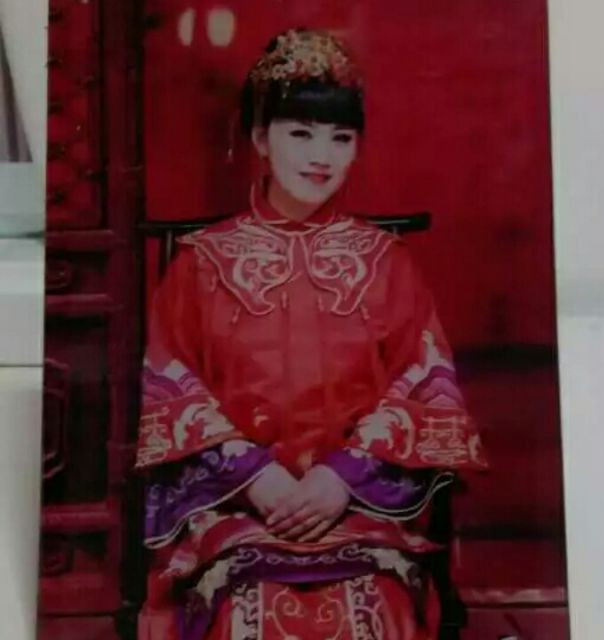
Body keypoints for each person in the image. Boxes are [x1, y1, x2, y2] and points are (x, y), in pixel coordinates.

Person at [136, 28, 486, 640]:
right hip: (236, 507)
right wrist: (255, 476)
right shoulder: (200, 262)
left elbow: (425, 381)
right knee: (248, 613)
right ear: (259, 138)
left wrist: (342, 477)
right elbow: (172, 386)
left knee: (373, 611)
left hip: (359, 508)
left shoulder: (385, 261)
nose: (321, 155)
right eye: (300, 133)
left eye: (341, 137)